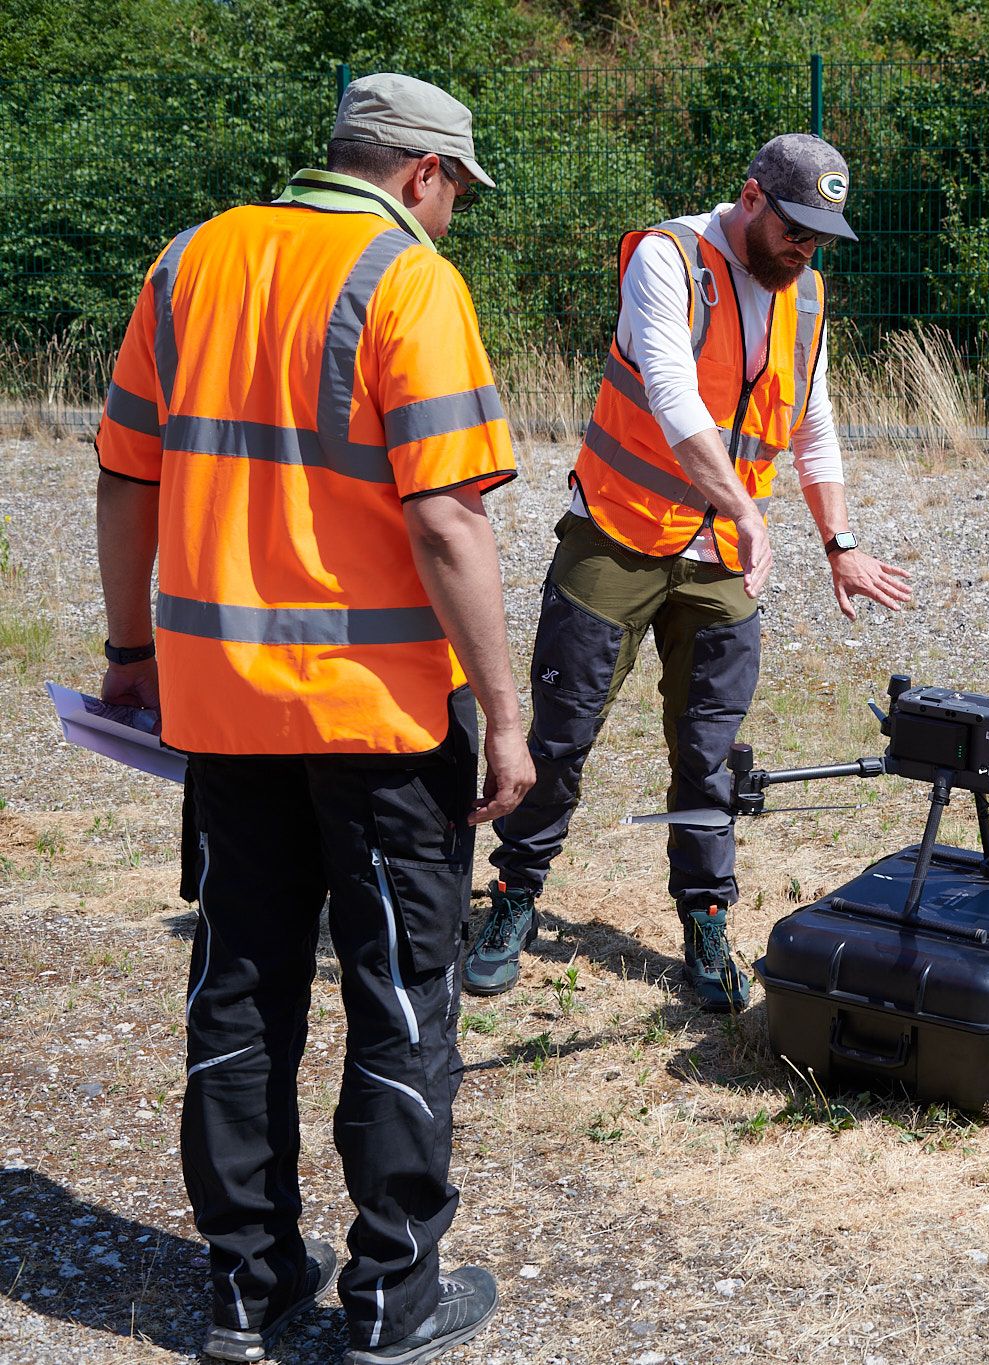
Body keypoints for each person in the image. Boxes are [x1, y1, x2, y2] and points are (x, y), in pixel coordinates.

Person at [94, 73, 533, 1365]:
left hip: (224, 713)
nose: (450, 217)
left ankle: (246, 1285)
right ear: (420, 173)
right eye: (454, 194)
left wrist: (130, 650)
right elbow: (446, 518)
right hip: (380, 718)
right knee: (399, 994)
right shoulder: (408, 281)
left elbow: (124, 476)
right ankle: (392, 1299)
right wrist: (505, 713)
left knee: (239, 987)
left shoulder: (188, 264)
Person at [466, 134, 911, 1008]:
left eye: (821, 237)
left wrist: (839, 542)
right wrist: (745, 508)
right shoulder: (668, 260)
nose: (805, 249)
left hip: (721, 563)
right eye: (794, 229)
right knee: (560, 734)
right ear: (751, 197)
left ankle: (706, 917)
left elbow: (813, 423)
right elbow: (672, 394)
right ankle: (514, 894)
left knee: (710, 752)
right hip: (616, 535)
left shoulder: (807, 296)